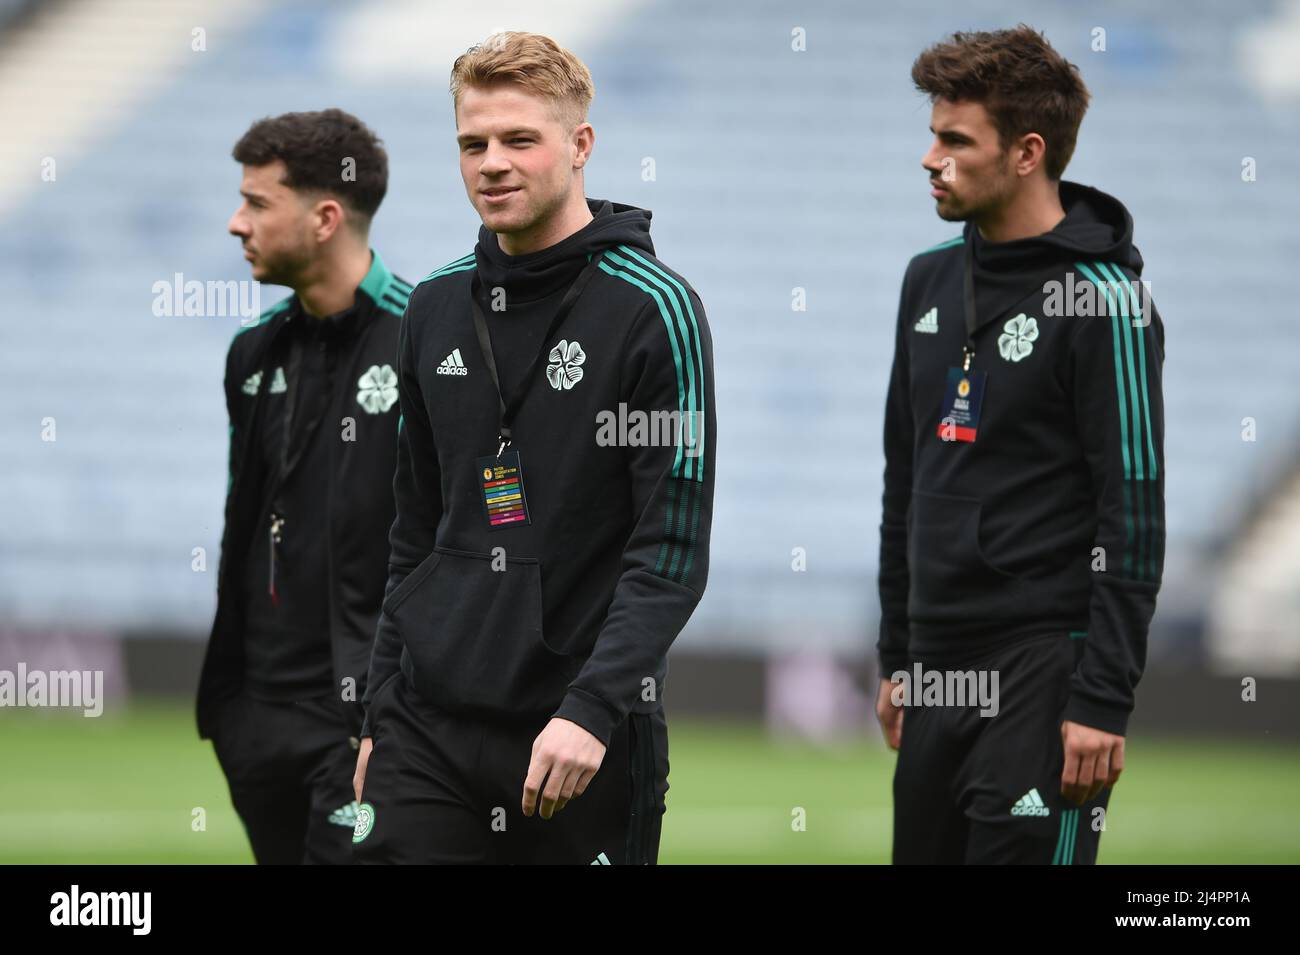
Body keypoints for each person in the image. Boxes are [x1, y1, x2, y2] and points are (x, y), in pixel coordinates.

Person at [351, 32, 715, 865]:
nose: (493, 163)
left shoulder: (655, 309)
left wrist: (591, 710)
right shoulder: (435, 305)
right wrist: (378, 714)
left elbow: (671, 551)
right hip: (427, 729)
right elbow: (414, 532)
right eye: (472, 143)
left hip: (576, 737)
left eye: (520, 139)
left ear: (581, 145)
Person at [875, 26, 1166, 864]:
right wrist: (898, 654)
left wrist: (1103, 697)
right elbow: (906, 479)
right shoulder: (926, 278)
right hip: (934, 667)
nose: (930, 157)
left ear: (1028, 152)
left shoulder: (1106, 304)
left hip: (1046, 673)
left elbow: (1131, 513)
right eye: (933, 134)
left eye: (955, 140)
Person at [197, 109, 409, 864]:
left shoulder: (429, 343)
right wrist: (233, 708)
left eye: (257, 203)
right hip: (256, 715)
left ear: (325, 217)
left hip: (360, 719)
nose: (235, 222)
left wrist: (391, 710)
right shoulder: (251, 353)